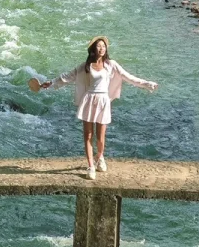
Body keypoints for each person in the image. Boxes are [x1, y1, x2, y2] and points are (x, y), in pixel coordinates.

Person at [31, 36, 158, 178]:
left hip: (103, 101)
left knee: (101, 137)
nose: (102, 48)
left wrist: (146, 84)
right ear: (93, 49)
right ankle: (91, 166)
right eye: (99, 46)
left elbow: (128, 77)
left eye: (104, 46)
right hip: (89, 100)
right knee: (88, 135)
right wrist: (51, 83)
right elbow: (67, 77)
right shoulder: (85, 66)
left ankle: (100, 156)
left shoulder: (111, 64)